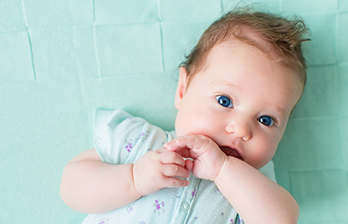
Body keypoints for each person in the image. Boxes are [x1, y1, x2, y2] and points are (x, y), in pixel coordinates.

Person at [60, 6, 310, 224]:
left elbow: (283, 220)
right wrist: (134, 178)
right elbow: (71, 185)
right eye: (225, 101)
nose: (242, 130)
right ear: (183, 89)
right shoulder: (141, 142)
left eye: (266, 120)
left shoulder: (252, 188)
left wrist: (223, 169)